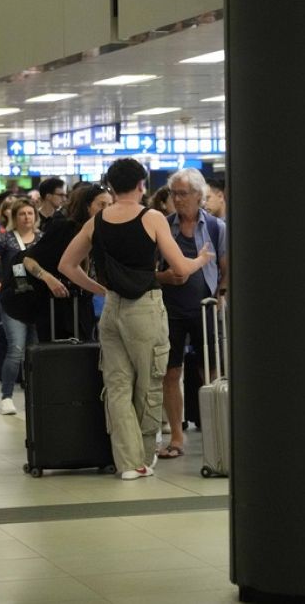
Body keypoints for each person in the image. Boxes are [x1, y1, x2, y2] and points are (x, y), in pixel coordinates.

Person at [59, 158, 212, 481]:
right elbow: (181, 269)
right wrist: (199, 260)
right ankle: (143, 457)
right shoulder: (152, 217)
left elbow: (67, 265)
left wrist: (100, 289)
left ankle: (126, 462)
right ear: (142, 185)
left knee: (116, 386)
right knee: (149, 383)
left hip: (112, 310)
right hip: (145, 308)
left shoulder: (97, 221)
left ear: (111, 187)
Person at [157, 168, 228, 459]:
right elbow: (151, 271)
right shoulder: (163, 226)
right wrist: (165, 278)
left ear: (199, 195)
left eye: (183, 193)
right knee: (170, 372)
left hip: (205, 307)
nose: (177, 199)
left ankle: (217, 432)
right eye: (174, 193)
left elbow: (226, 269)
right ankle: (176, 435)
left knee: (209, 371)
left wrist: (220, 295)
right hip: (170, 310)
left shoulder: (215, 227)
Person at [23, 184, 114, 342]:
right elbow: (28, 259)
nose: (107, 210)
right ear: (87, 207)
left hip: (83, 305)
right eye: (101, 204)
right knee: (60, 358)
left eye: (110, 205)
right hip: (56, 306)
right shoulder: (65, 228)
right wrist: (48, 278)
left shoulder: (106, 232)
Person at [0, 199, 41, 416]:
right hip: (13, 301)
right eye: (22, 214)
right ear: (15, 217)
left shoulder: (41, 238)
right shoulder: (4, 239)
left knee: (35, 349)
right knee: (16, 347)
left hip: (36, 301)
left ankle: (35, 394)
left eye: (30, 213)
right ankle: (7, 396)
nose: (27, 217)